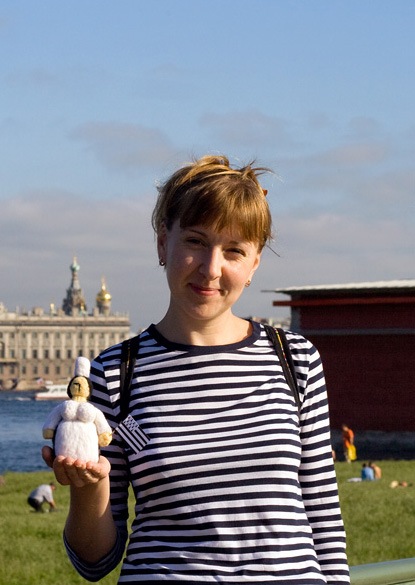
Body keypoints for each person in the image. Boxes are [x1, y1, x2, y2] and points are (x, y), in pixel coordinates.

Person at [43, 155, 350, 584]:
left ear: (254, 263)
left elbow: (324, 523)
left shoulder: (295, 360)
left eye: (234, 251)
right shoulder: (114, 374)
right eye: (195, 241)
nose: (211, 268)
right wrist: (88, 485)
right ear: (162, 243)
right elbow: (94, 562)